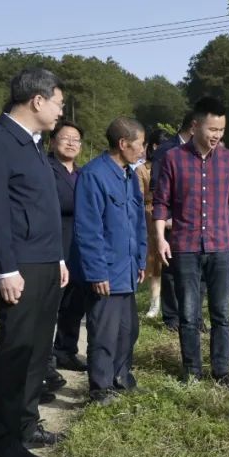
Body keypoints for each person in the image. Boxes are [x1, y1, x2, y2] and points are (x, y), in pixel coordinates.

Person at [0, 68, 69, 457]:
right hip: (20, 266)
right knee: (15, 352)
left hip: (47, 263)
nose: (62, 111)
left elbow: (42, 209)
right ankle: (5, 438)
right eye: (59, 104)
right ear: (38, 100)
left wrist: (59, 258)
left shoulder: (32, 144)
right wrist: (6, 268)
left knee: (36, 351)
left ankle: (27, 424)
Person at [152, 98, 229, 388]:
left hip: (220, 245)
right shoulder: (173, 158)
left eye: (221, 129)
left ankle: (221, 370)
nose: (217, 135)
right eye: (212, 128)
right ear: (195, 126)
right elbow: (161, 203)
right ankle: (192, 370)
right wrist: (160, 238)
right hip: (184, 247)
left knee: (221, 313)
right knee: (188, 313)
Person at [71, 117, 148, 406]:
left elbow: (139, 222)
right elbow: (88, 229)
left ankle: (121, 378)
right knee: (103, 332)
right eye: (139, 144)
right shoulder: (94, 175)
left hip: (127, 269)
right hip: (105, 272)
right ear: (123, 143)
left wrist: (140, 258)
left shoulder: (129, 175)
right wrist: (96, 272)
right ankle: (100, 389)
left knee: (128, 330)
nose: (142, 150)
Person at [46, 121, 88, 386]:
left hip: (79, 247)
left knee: (75, 304)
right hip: (55, 243)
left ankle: (66, 350)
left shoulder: (83, 174)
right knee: (51, 305)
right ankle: (45, 359)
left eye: (76, 140)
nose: (71, 143)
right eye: (65, 138)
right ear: (52, 142)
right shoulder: (45, 169)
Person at [150, 113, 192, 331]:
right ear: (195, 127)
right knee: (170, 270)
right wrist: (165, 218)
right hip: (172, 222)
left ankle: (192, 316)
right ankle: (172, 318)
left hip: (193, 222)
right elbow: (156, 188)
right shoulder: (166, 150)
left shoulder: (200, 151)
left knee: (194, 272)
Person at [139, 129, 168, 318]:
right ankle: (155, 304)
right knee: (155, 262)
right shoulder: (142, 169)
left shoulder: (175, 165)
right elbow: (139, 196)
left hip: (173, 217)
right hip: (151, 215)